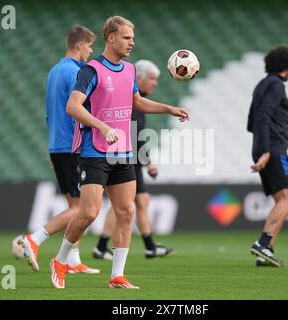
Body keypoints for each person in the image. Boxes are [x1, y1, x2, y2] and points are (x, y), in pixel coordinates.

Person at [49, 16, 189, 289]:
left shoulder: (128, 70)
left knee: (126, 213)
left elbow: (136, 101)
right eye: (126, 38)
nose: (131, 43)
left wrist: (168, 108)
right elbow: (73, 107)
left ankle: (117, 276)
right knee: (88, 213)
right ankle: (61, 259)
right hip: (95, 151)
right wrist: (101, 126)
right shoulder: (91, 70)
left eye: (133, 39)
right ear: (111, 37)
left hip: (124, 152)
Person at [23, 26, 100, 275]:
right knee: (81, 209)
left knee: (74, 205)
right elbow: (78, 111)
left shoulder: (54, 71)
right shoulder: (77, 72)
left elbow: (49, 112)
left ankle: (73, 259)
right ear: (79, 45)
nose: (90, 51)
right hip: (73, 146)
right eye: (89, 46)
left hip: (58, 145)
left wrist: (52, 145)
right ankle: (35, 238)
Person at [93, 59, 173, 261]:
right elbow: (133, 134)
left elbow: (138, 134)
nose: (155, 83)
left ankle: (148, 246)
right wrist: (148, 162)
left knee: (139, 202)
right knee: (124, 204)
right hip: (125, 158)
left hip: (132, 158)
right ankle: (103, 246)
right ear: (139, 78)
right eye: (152, 79)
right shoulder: (131, 100)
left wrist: (147, 161)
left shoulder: (138, 101)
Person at [247, 46, 288, 267]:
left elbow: (253, 122)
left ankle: (265, 254)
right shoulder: (277, 85)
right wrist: (268, 150)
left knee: (281, 199)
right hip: (273, 150)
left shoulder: (261, 85)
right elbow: (263, 116)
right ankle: (263, 244)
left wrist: (285, 136)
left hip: (269, 145)